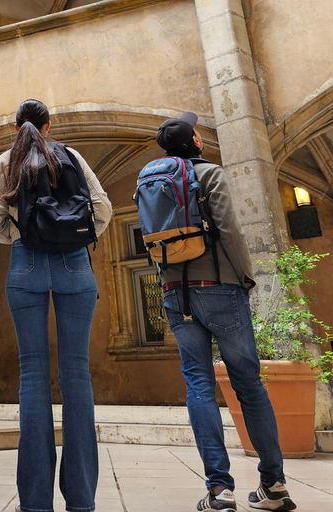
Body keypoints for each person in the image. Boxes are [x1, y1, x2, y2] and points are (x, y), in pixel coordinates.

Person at [152, 112, 296, 512]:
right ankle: (274, 485)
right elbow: (229, 228)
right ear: (195, 143)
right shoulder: (209, 173)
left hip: (174, 294)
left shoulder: (151, 180)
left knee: (199, 385)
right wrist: (246, 277)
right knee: (249, 385)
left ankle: (219, 490)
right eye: (197, 132)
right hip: (220, 287)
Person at [0, 99, 113, 512]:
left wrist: (19, 235)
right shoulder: (70, 155)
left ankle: (35, 503)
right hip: (75, 267)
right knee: (77, 377)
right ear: (48, 126)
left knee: (32, 378)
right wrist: (74, 237)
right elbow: (102, 209)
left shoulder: (6, 161)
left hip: (26, 265)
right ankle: (82, 501)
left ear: (15, 127)